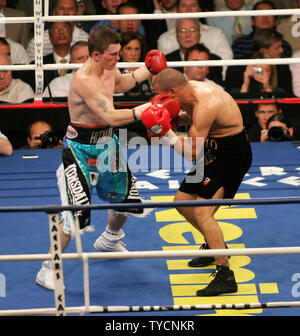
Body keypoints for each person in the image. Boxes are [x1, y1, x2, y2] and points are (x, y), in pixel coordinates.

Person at [35, 25, 168, 290]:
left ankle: (109, 239)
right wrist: (145, 110)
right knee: (77, 211)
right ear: (95, 55)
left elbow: (122, 83)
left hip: (107, 142)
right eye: (112, 55)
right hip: (80, 148)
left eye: (118, 53)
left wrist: (147, 70)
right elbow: (111, 116)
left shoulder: (109, 68)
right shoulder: (85, 79)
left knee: (126, 199)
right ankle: (48, 267)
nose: (117, 59)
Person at [136, 67, 253, 296]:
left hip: (231, 156)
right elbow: (192, 132)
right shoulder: (187, 94)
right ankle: (215, 246)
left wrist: (167, 133)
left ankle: (225, 275)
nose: (158, 101)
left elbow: (190, 153)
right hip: (211, 149)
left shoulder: (206, 103)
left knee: (202, 212)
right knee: (181, 202)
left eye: (161, 96)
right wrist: (173, 119)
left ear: (171, 91)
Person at [157, 0, 233, 62]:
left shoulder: (216, 34)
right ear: (177, 10)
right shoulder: (165, 39)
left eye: (193, 5)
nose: (188, 10)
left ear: (200, 10)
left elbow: (226, 63)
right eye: (184, 6)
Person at [165, 18, 229, 80]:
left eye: (192, 30)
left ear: (199, 35)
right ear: (177, 37)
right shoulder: (167, 61)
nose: (188, 35)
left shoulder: (214, 61)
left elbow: (218, 89)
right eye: (183, 31)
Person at [23, 21, 74, 92]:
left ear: (72, 36)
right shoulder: (37, 65)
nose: (61, 32)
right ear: (50, 38)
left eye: (65, 29)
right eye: (56, 30)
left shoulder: (81, 62)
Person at [119, 31, 153, 96]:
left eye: (137, 49)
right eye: (129, 49)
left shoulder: (149, 72)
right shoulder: (114, 72)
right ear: (120, 51)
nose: (133, 54)